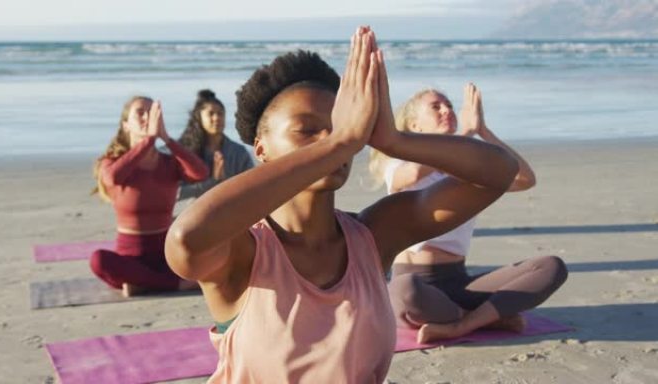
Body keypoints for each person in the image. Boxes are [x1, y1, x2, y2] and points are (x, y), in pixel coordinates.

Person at [165, 27, 518, 383]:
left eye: (338, 127)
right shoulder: (243, 252)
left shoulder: (375, 236)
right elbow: (185, 239)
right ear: (260, 148)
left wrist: (394, 140)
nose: (332, 140)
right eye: (307, 130)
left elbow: (499, 173)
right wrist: (339, 142)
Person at [369, 84, 568, 343]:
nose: (446, 110)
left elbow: (525, 179)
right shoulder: (398, 164)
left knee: (551, 266)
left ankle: (462, 324)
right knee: (405, 290)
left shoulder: (471, 172)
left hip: (459, 283)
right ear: (415, 126)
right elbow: (414, 175)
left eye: (450, 105)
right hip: (413, 282)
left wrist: (484, 133)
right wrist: (466, 135)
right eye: (436, 106)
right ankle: (488, 317)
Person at [91, 96, 209, 296]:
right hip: (130, 259)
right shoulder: (111, 163)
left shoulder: (168, 163)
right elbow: (112, 178)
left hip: (168, 255)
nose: (147, 117)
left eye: (151, 112)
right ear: (126, 125)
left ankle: (143, 283)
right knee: (98, 260)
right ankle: (174, 284)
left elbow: (200, 172)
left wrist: (168, 140)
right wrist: (149, 140)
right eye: (140, 112)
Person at [177, 89, 254, 202]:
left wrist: (224, 183)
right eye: (211, 113)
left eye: (220, 113)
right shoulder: (185, 152)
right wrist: (213, 183)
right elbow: (177, 193)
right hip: (192, 214)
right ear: (199, 118)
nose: (216, 118)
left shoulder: (238, 152)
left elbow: (251, 186)